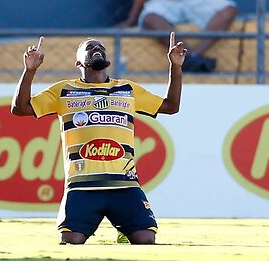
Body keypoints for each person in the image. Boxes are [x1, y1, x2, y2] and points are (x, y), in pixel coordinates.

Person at [11, 32, 186, 245]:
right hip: (82, 187)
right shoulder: (63, 90)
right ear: (78, 62)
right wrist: (30, 71)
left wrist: (175, 66)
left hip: (124, 185)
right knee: (70, 242)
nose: (97, 49)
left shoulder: (127, 89)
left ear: (108, 60)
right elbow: (20, 109)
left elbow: (171, 106)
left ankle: (125, 228)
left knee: (146, 239)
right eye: (90, 47)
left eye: (101, 47)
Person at [117, 0, 238, 73]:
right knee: (150, 18)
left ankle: (192, 57)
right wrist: (132, 18)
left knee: (228, 10)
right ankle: (190, 59)